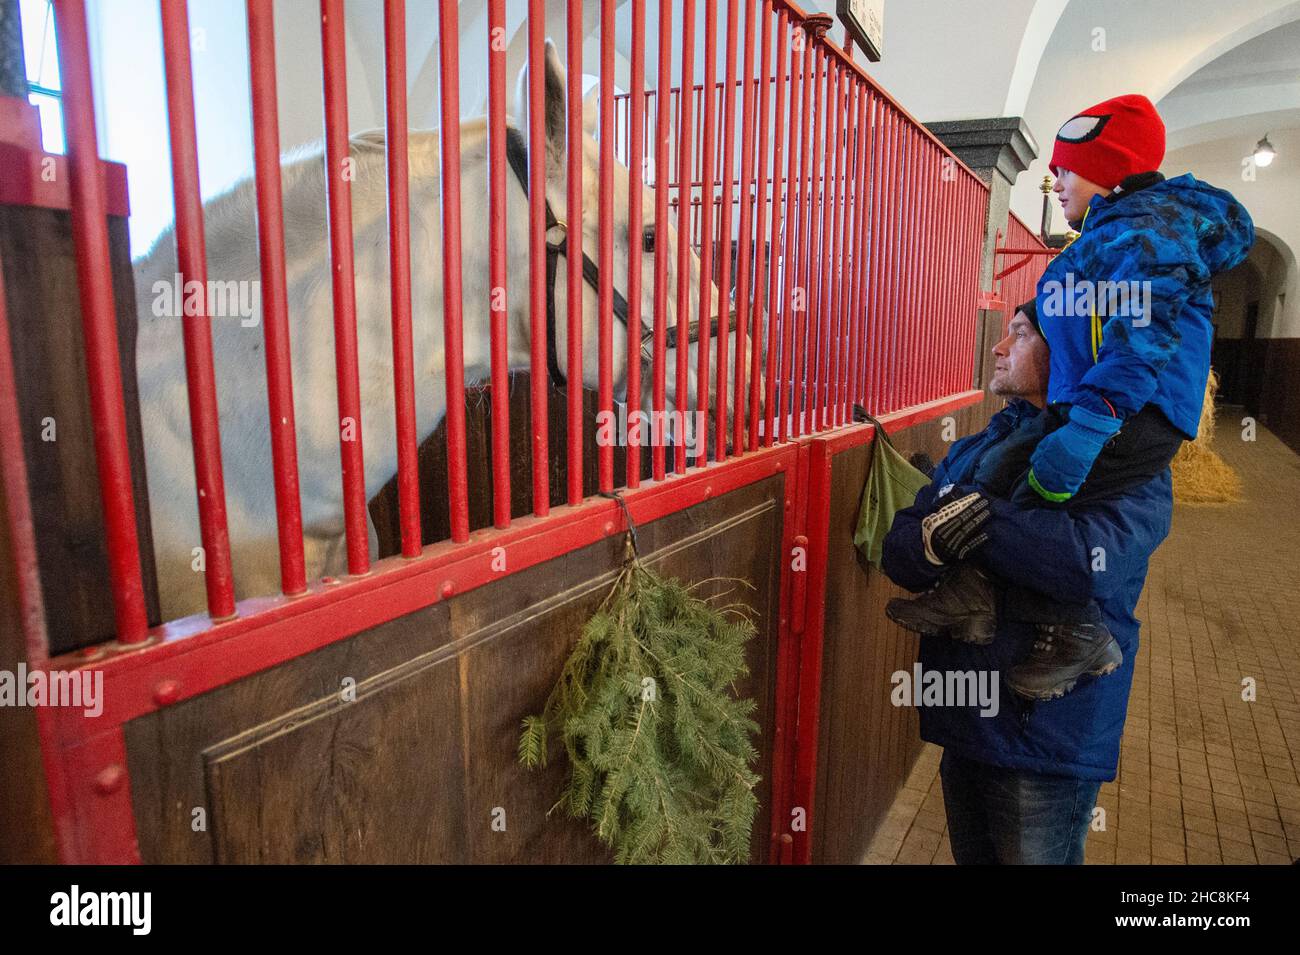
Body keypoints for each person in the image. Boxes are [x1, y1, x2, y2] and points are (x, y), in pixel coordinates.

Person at [885, 93, 1254, 701]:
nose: (1052, 181)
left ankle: (1077, 630)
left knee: (1033, 488)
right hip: (1092, 407)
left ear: (1110, 168)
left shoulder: (1145, 232)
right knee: (1008, 472)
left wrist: (1088, 427)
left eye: (1066, 168)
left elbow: (1140, 340)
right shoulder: (1109, 237)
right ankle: (977, 596)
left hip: (1129, 414)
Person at [880, 306, 1169, 864]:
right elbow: (901, 548)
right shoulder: (980, 445)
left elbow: (1086, 563)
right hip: (964, 717)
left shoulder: (1126, 460)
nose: (998, 346)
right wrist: (935, 543)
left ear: (1066, 348)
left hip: (1044, 735)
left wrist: (979, 515)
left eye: (1020, 332)